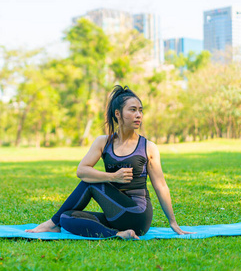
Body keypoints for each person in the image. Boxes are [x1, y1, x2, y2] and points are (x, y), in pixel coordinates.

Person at [26, 85, 194, 240]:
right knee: (66, 218)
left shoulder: (148, 147)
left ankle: (51, 223)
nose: (138, 115)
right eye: (133, 110)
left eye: (140, 111)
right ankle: (118, 234)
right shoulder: (103, 142)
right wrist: (113, 176)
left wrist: (173, 222)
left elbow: (161, 186)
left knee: (90, 184)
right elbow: (81, 170)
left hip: (138, 214)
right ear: (118, 114)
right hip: (115, 214)